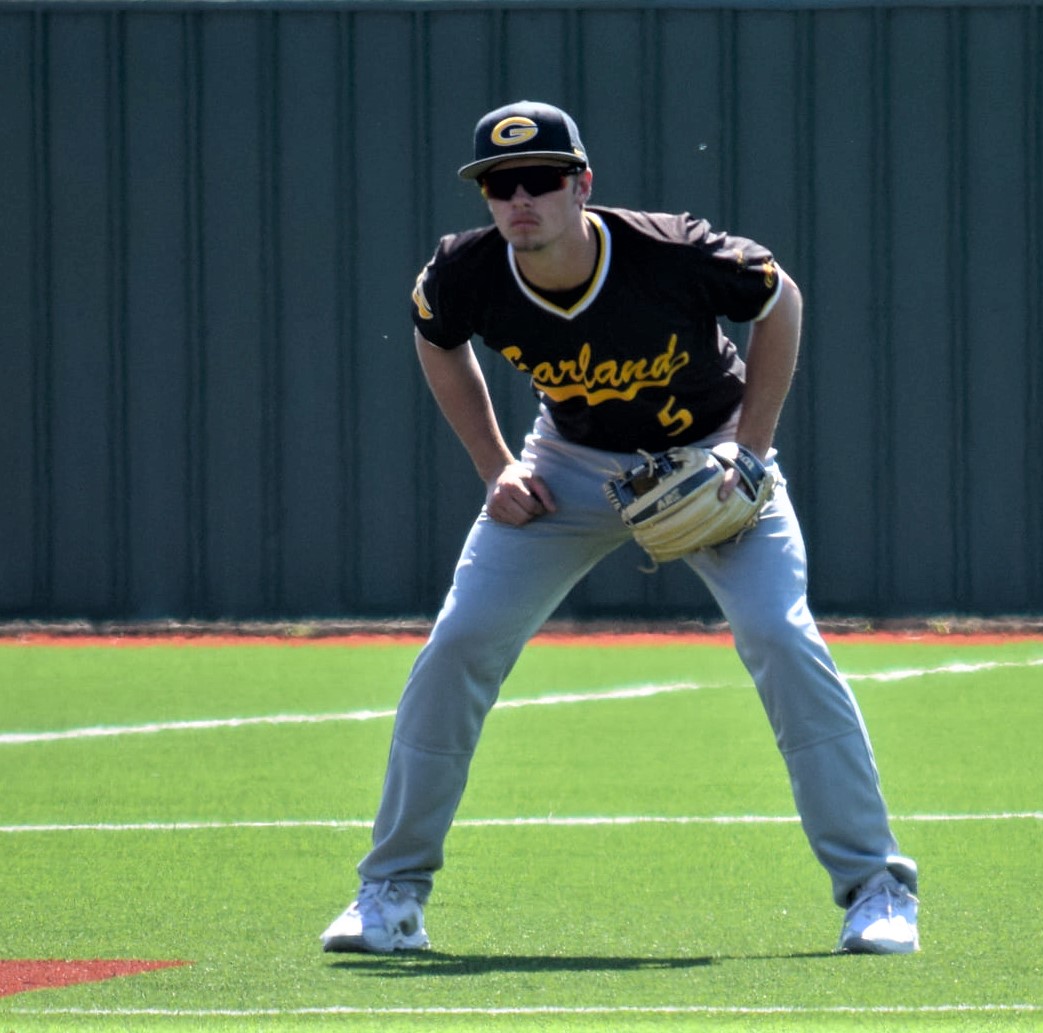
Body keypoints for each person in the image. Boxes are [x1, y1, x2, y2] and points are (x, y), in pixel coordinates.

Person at [321, 100, 919, 956]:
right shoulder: (466, 271)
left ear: (582, 184)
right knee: (459, 643)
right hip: (567, 463)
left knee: (782, 639)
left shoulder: (666, 248)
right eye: (499, 183)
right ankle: (391, 894)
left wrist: (750, 450)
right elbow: (435, 338)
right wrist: (496, 467)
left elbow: (779, 299)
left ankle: (877, 888)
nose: (519, 197)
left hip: (711, 461)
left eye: (540, 179)